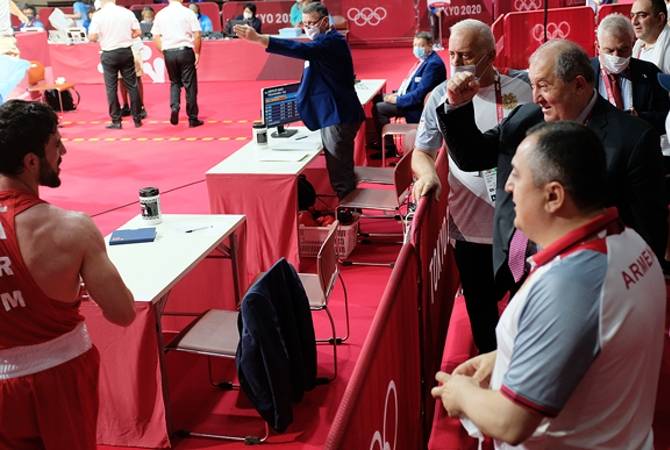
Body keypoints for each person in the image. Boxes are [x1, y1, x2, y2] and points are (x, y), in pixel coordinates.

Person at [431, 121, 665, 449]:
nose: (509, 186)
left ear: (553, 195)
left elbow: (511, 421)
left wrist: (461, 395)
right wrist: (505, 356)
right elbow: (591, 337)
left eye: (516, 175)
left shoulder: (571, 284)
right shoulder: (631, 246)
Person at [418, 39, 667, 296]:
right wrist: (457, 106)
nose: (536, 97)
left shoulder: (633, 139)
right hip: (515, 262)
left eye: (544, 86)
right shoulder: (524, 118)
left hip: (588, 284)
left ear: (579, 84)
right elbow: (472, 157)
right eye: (533, 85)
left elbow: (648, 232)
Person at [0, 100, 136, 448]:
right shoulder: (70, 227)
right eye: (55, 144)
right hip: (60, 376)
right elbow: (122, 313)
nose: (63, 150)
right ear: (31, 162)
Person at [412, 19, 532, 353]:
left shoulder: (523, 90)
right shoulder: (440, 96)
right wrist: (428, 175)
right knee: (482, 314)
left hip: (521, 225)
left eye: (466, 56)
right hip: (471, 227)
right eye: (452, 54)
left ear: (490, 55)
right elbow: (421, 152)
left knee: (526, 306)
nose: (457, 63)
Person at [235, 2, 364, 199]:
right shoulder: (324, 42)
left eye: (310, 23)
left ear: (323, 22)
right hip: (334, 113)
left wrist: (261, 39)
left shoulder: (330, 42)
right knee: (341, 170)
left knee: (341, 176)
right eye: (303, 23)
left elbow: (299, 49)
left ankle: (349, 218)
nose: (307, 27)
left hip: (338, 115)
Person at [371, 31, 446, 158]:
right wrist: (395, 95)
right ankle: (381, 142)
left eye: (421, 45)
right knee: (377, 98)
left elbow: (418, 96)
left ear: (430, 45)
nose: (417, 49)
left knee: (379, 108)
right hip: (408, 97)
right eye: (415, 45)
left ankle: (389, 149)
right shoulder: (423, 61)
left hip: (416, 107)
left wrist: (397, 100)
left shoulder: (433, 64)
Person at [593, 13, 670, 134]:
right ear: (597, 46)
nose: (616, 56)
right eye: (609, 50)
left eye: (623, 49)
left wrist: (640, 118)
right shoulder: (584, 73)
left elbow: (666, 116)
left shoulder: (649, 72)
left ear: (633, 44)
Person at [88, 0, 143, 129]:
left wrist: (103, 37)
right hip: (126, 51)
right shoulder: (126, 12)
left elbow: (92, 37)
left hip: (109, 53)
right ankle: (137, 119)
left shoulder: (98, 15)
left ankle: (116, 120)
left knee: (111, 88)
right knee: (132, 85)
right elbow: (138, 32)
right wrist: (125, 37)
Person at [152, 0, 204, 128]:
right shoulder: (188, 13)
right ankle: (192, 118)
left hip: (169, 52)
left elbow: (156, 36)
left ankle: (174, 107)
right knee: (189, 85)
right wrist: (197, 52)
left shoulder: (161, 14)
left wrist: (164, 51)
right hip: (185, 51)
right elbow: (197, 35)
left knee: (174, 82)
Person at [631, 0, 670, 73]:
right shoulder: (638, 47)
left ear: (660, 18)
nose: (634, 22)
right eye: (632, 15)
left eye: (642, 15)